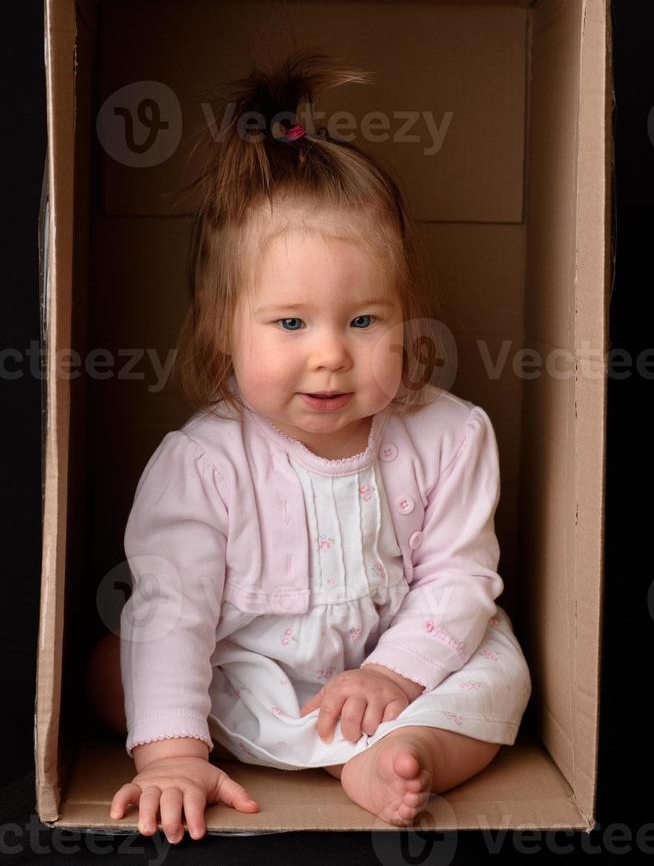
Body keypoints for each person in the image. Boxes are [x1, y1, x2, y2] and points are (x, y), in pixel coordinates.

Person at [89, 48, 531, 841]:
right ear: (221, 326)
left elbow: (461, 575)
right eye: (290, 323)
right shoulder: (205, 462)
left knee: (501, 669)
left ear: (407, 313)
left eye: (365, 321)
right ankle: (339, 756)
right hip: (265, 675)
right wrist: (171, 759)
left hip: (406, 663)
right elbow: (177, 613)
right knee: (126, 663)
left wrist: (394, 674)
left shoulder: (451, 433)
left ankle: (411, 746)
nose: (329, 354)